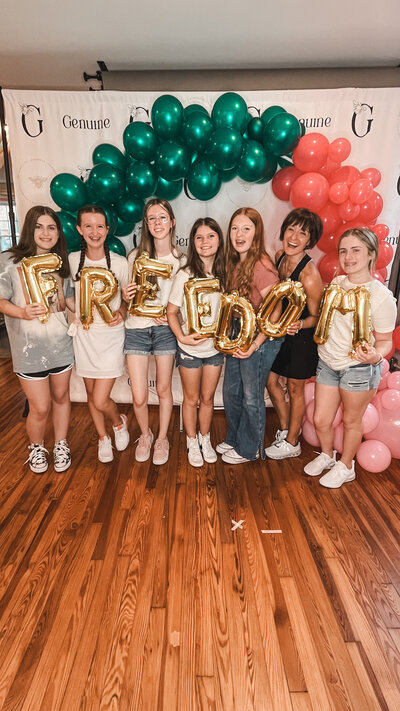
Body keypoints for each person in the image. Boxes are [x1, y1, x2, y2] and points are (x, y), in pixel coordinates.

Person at [304, 228, 397, 487]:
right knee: (321, 419)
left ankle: (346, 466)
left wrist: (374, 356)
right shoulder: (336, 284)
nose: (348, 256)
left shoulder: (381, 297)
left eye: (356, 250)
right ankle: (326, 455)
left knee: (351, 421)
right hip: (328, 363)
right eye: (344, 250)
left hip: (358, 368)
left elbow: (385, 341)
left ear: (371, 254)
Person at [0, 206, 74, 474]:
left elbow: (68, 301)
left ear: (58, 232)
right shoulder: (10, 260)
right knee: (40, 407)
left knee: (62, 396)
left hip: (60, 344)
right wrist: (21, 312)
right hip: (28, 348)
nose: (46, 233)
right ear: (30, 229)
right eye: (39, 227)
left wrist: (91, 304)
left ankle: (61, 444)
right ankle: (37, 446)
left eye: (51, 227)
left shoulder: (60, 261)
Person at [217, 207, 284, 464]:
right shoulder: (235, 261)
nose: (239, 233)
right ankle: (235, 438)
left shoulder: (261, 266)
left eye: (246, 228)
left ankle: (250, 448)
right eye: (235, 228)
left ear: (256, 233)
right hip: (238, 329)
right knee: (231, 390)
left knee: (251, 394)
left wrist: (256, 344)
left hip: (260, 335)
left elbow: (275, 310)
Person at [122, 198, 184, 465]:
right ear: (146, 224)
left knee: (163, 389)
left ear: (172, 222)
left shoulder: (181, 260)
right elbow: (128, 299)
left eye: (162, 217)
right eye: (151, 219)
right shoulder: (135, 257)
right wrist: (125, 295)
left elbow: (185, 303)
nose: (157, 223)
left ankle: (162, 438)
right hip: (136, 329)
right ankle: (145, 435)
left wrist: (172, 314)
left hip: (165, 331)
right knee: (138, 394)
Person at [68, 205, 130, 463]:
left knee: (100, 397)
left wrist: (122, 312)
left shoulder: (120, 262)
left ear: (107, 229)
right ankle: (102, 438)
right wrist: (75, 311)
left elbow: (128, 300)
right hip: (85, 336)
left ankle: (118, 422)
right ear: (80, 229)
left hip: (111, 337)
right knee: (90, 393)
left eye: (100, 226)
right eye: (89, 226)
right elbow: (70, 296)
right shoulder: (72, 260)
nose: (95, 231)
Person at [265, 208, 323, 459]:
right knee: (270, 381)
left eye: (303, 233)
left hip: (301, 337)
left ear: (310, 240)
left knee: (296, 389)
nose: (294, 237)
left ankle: (292, 442)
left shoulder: (310, 275)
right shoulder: (279, 256)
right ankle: (287, 429)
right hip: (280, 333)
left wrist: (298, 325)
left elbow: (317, 317)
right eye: (291, 229)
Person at [167, 217, 225, 467]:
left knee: (208, 398)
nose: (205, 242)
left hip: (214, 350)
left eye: (210, 236)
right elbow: (171, 312)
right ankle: (191, 441)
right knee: (190, 399)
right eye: (199, 237)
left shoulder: (226, 273)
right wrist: (181, 336)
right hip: (190, 349)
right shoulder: (185, 274)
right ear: (192, 242)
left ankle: (205, 438)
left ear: (219, 239)